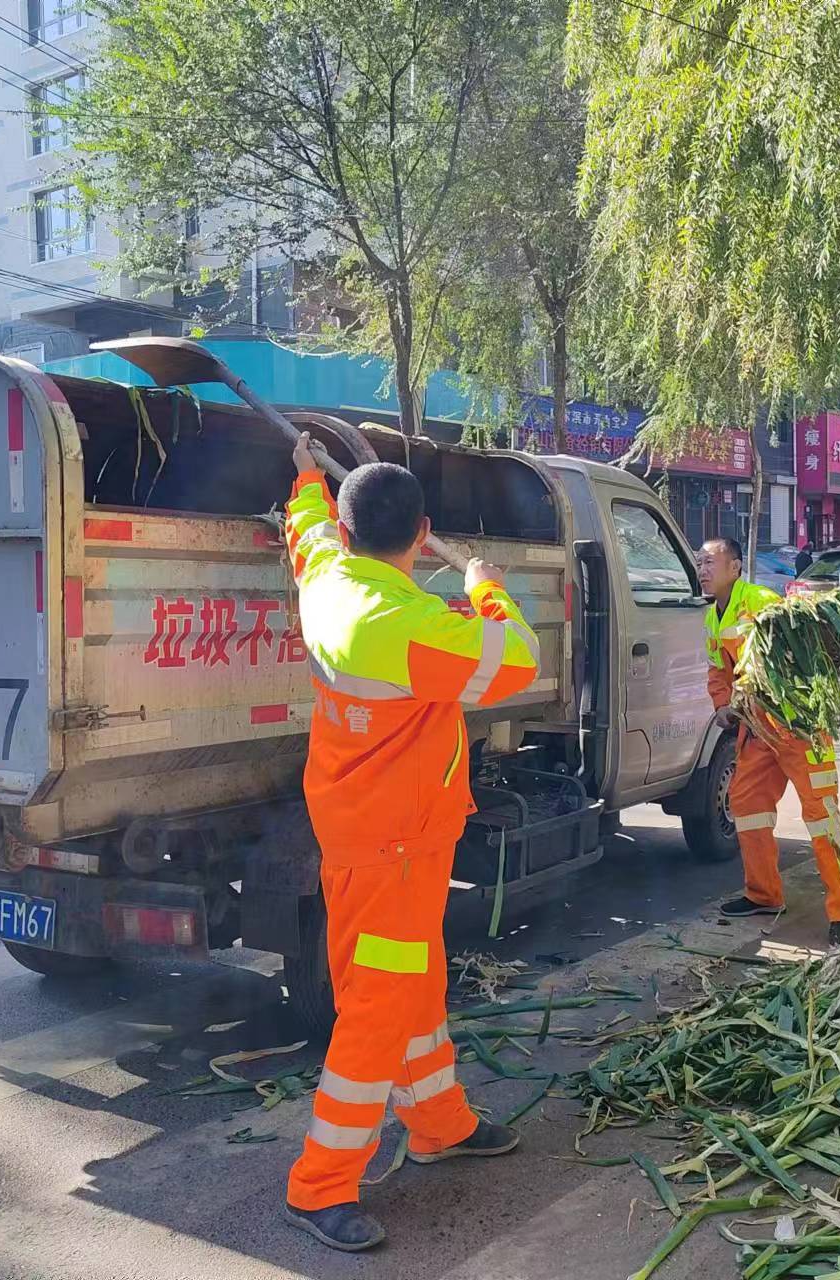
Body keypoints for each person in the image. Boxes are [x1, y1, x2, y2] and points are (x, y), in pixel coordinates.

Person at [281, 434, 540, 1253]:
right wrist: (484, 585)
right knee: (378, 1012)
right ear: (421, 531)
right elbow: (519, 662)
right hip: (390, 846)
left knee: (417, 988)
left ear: (350, 532)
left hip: (390, 837)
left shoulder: (327, 579)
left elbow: (307, 533)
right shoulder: (410, 625)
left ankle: (438, 1124)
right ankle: (320, 1184)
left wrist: (305, 480)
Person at [697, 537, 840, 945]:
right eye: (699, 563)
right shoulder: (712, 618)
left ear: (735, 567)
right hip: (758, 729)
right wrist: (723, 705)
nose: (702, 569)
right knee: (747, 803)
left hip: (798, 725)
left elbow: (792, 656)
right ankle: (763, 894)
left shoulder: (759, 601)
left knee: (821, 814)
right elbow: (716, 671)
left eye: (709, 561)